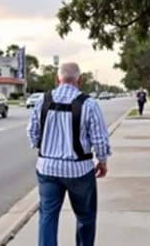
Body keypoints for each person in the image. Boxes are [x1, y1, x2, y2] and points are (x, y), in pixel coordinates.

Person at [27, 62, 111, 246]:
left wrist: (46, 148)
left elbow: (32, 132)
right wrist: (102, 161)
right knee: (85, 217)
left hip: (47, 169)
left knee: (47, 216)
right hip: (79, 170)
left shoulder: (42, 100)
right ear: (79, 81)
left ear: (57, 79)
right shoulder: (88, 103)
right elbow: (99, 139)